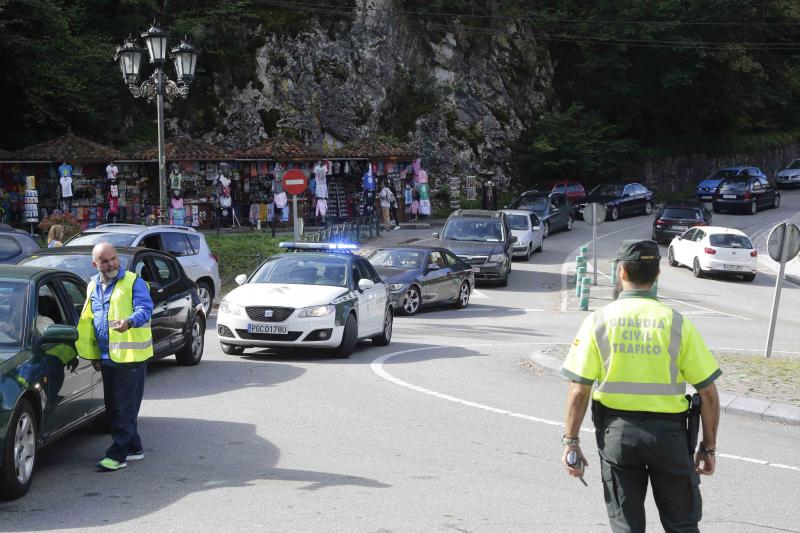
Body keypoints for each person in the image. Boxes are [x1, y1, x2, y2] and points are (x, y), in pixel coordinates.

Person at [559, 239, 721, 533]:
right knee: (682, 525)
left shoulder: (599, 321)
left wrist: (571, 443)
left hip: (618, 436)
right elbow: (708, 393)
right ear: (657, 275)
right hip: (670, 438)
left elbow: (578, 389)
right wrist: (707, 448)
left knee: (626, 526)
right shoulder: (677, 323)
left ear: (620, 272)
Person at [76, 242, 154, 472]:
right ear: (95, 264)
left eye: (113, 259)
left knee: (123, 408)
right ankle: (133, 447)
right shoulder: (92, 285)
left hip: (130, 356)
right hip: (107, 356)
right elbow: (90, 319)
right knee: (115, 407)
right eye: (105, 261)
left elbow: (145, 308)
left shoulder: (132, 282)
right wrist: (94, 354)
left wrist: (129, 321)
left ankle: (118, 454)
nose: (111, 264)